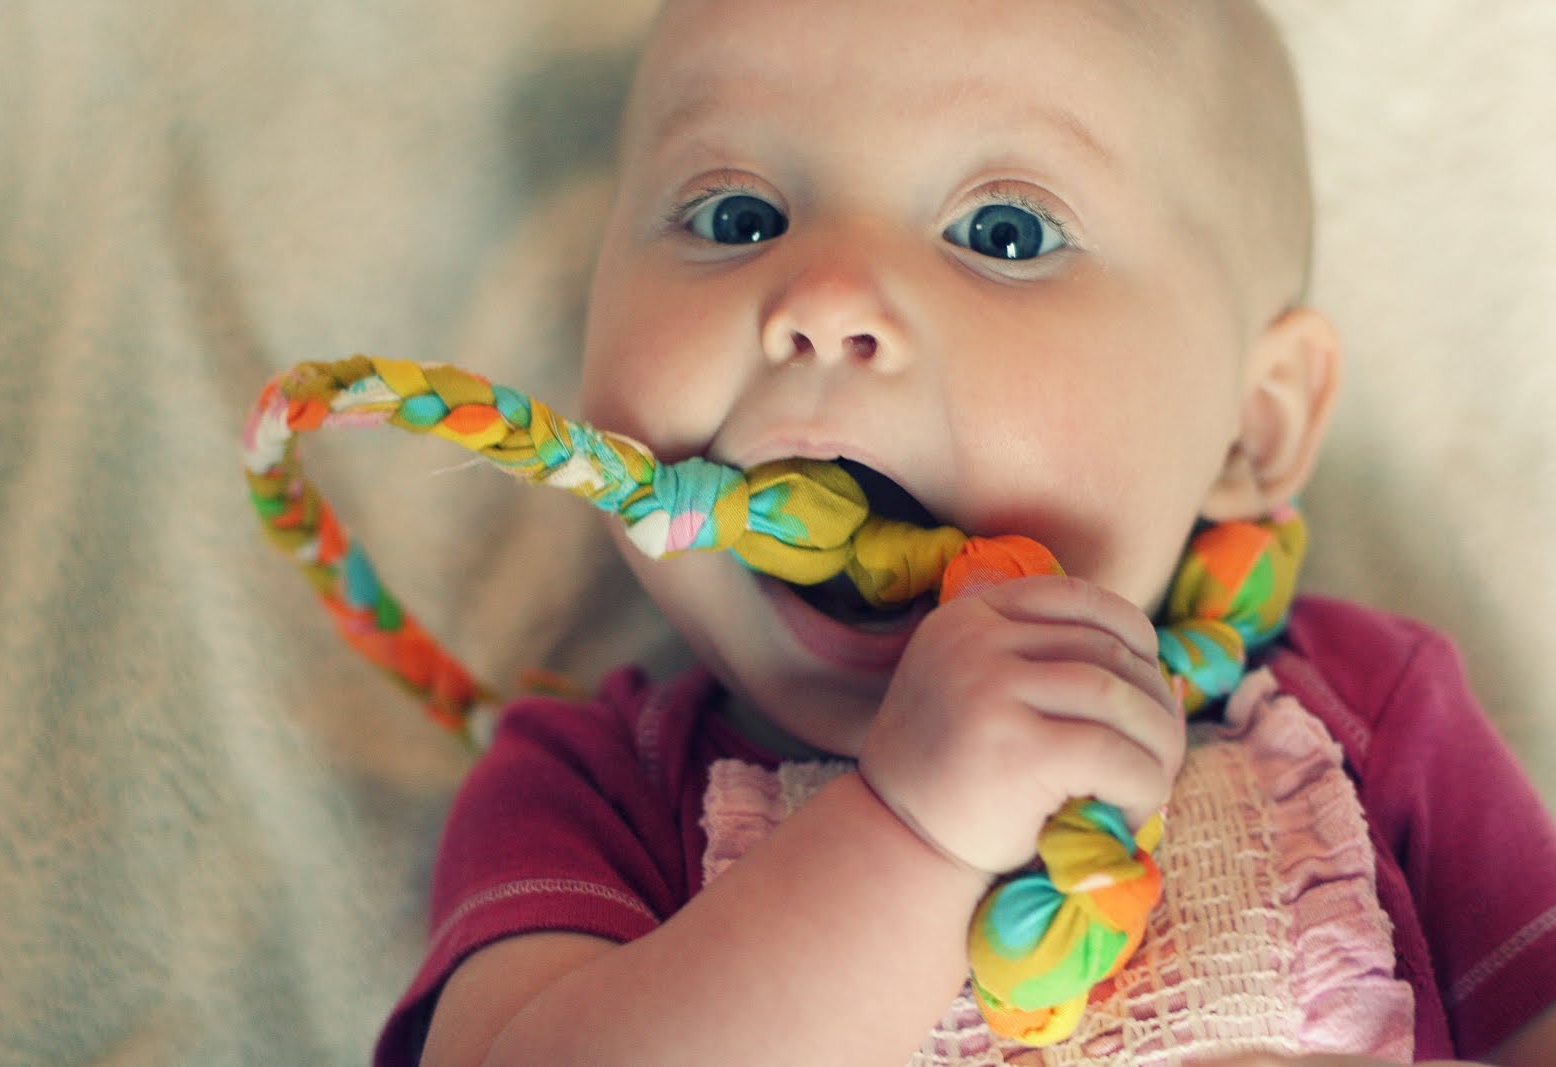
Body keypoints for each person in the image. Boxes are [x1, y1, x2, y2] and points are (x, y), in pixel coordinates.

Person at [375, 1, 1556, 1063]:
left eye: (1004, 233)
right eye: (737, 215)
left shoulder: (1363, 715)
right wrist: (908, 834)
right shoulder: (588, 791)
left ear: (1252, 425)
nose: (824, 300)